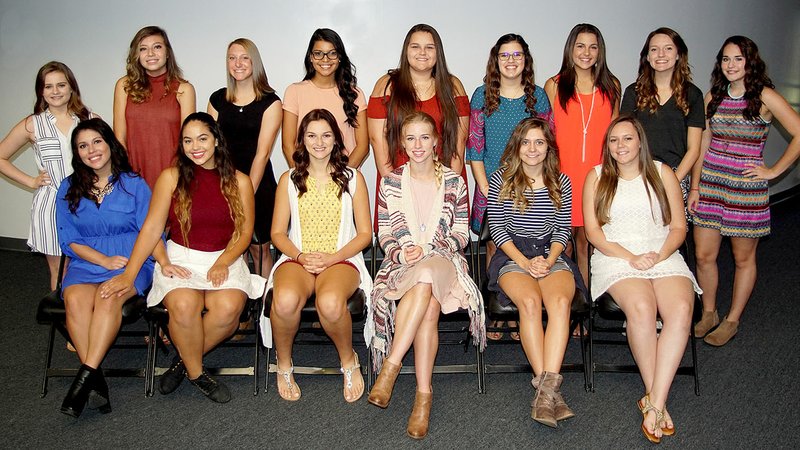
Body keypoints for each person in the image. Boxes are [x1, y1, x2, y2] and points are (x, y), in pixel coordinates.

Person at [100, 112, 266, 403]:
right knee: (185, 305)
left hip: (223, 255)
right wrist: (130, 274)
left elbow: (244, 232)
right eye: (187, 140)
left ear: (216, 140)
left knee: (228, 310)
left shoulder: (239, 181)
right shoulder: (171, 177)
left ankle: (182, 363)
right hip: (181, 256)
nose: (195, 146)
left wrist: (223, 262)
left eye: (202, 138)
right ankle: (197, 374)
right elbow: (152, 228)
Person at [367, 112, 485, 440]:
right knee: (427, 301)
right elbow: (384, 234)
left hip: (445, 261)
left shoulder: (455, 181)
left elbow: (463, 235)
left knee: (429, 273)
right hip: (404, 265)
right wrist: (402, 252)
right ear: (402, 144)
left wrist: (433, 246)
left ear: (435, 141)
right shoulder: (390, 182)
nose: (418, 145)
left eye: (424, 137)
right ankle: (423, 396)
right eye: (410, 139)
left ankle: (391, 366)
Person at [583, 115, 701, 443]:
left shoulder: (663, 173)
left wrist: (657, 256)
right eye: (613, 140)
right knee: (643, 309)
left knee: (680, 311)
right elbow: (593, 233)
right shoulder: (596, 177)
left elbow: (679, 227)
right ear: (607, 146)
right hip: (616, 258)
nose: (621, 146)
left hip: (662, 255)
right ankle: (657, 400)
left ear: (640, 141)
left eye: (627, 138)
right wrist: (631, 257)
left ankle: (654, 402)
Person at [689, 36, 800, 346]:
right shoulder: (714, 96)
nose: (731, 65)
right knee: (704, 255)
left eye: (738, 59)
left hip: (745, 190)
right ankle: (709, 312)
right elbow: (704, 143)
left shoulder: (765, 96)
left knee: (742, 258)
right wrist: (695, 186)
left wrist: (774, 171)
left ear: (750, 62)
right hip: (711, 183)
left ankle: (732, 319)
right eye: (726, 59)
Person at [267, 109, 372, 403]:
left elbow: (365, 234)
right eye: (311, 135)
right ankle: (284, 364)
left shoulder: (353, 178)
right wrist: (300, 257)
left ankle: (349, 360)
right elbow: (277, 234)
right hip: (298, 258)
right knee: (284, 300)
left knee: (329, 303)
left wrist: (332, 257)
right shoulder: (289, 179)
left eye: (326, 135)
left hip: (341, 259)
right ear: (302, 140)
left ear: (336, 139)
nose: (319, 142)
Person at [55, 118, 157, 417]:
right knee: (74, 299)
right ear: (77, 153)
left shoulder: (134, 184)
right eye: (83, 146)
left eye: (97, 142)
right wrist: (102, 261)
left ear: (110, 144)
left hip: (130, 261)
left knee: (107, 297)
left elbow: (151, 232)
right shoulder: (68, 187)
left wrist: (123, 268)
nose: (91, 150)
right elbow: (68, 239)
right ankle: (93, 379)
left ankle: (83, 380)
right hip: (87, 262)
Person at [485, 117, 576, 427]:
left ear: (548, 146)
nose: (533, 149)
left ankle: (545, 392)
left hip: (550, 255)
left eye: (539, 142)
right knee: (529, 304)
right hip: (513, 257)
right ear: (517, 147)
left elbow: (562, 231)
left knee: (561, 304)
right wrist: (525, 263)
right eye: (526, 142)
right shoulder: (500, 180)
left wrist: (549, 261)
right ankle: (549, 390)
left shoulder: (561, 181)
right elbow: (497, 230)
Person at [467, 33, 553, 341]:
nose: (511, 61)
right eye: (505, 55)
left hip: (531, 190)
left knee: (526, 246)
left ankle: (519, 310)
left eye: (517, 55)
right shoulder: (482, 96)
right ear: (496, 60)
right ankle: (498, 307)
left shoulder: (538, 97)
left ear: (526, 60)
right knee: (494, 247)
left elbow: (548, 144)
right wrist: (488, 188)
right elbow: (475, 149)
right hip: (492, 186)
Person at [0, 61, 92, 290]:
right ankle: (66, 323)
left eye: (61, 85)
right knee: (60, 270)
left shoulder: (89, 119)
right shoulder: (33, 124)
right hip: (51, 204)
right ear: (41, 91)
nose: (55, 91)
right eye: (48, 86)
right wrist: (31, 181)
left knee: (89, 266)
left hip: (87, 202)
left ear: (71, 87)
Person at [367, 23, 470, 227]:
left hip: (444, 183)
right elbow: (377, 141)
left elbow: (460, 141)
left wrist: (448, 190)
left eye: (429, 47)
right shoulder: (386, 85)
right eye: (415, 47)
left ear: (437, 52)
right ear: (406, 50)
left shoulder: (453, 86)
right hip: (398, 183)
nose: (422, 52)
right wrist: (395, 190)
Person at [544, 23, 619, 288]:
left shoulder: (612, 86)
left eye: (593, 46)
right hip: (562, 176)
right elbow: (546, 136)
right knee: (560, 246)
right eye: (580, 46)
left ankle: (586, 302)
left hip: (597, 178)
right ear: (570, 49)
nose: (586, 52)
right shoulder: (554, 85)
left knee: (588, 244)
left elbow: (615, 137)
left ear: (600, 52)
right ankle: (566, 303)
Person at [208, 37, 282, 277]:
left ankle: (263, 311)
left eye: (244, 57)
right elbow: (211, 148)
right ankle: (238, 308)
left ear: (255, 62)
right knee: (231, 249)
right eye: (232, 58)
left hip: (257, 184)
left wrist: (245, 192)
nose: (237, 63)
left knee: (259, 250)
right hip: (222, 183)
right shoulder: (217, 100)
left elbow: (262, 154)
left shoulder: (270, 102)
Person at [621, 27, 705, 205]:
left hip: (676, 176)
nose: (660, 54)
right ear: (647, 56)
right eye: (654, 49)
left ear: (678, 55)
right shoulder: (633, 92)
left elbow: (694, 149)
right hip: (637, 176)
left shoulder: (693, 95)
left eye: (668, 48)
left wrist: (672, 182)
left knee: (674, 231)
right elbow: (624, 138)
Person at [113, 25, 196, 189]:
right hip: (133, 177)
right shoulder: (124, 86)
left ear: (167, 53)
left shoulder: (183, 89)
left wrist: (177, 177)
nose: (150, 54)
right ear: (136, 55)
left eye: (157, 47)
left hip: (172, 177)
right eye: (143, 49)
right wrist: (126, 175)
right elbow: (119, 137)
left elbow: (188, 140)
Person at [282, 28, 368, 169]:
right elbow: (288, 144)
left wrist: (340, 178)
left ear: (340, 57)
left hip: (344, 180)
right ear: (310, 57)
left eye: (332, 53)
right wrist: (304, 178)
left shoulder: (355, 94)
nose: (325, 59)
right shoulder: (294, 92)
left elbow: (363, 146)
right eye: (318, 54)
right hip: (305, 181)